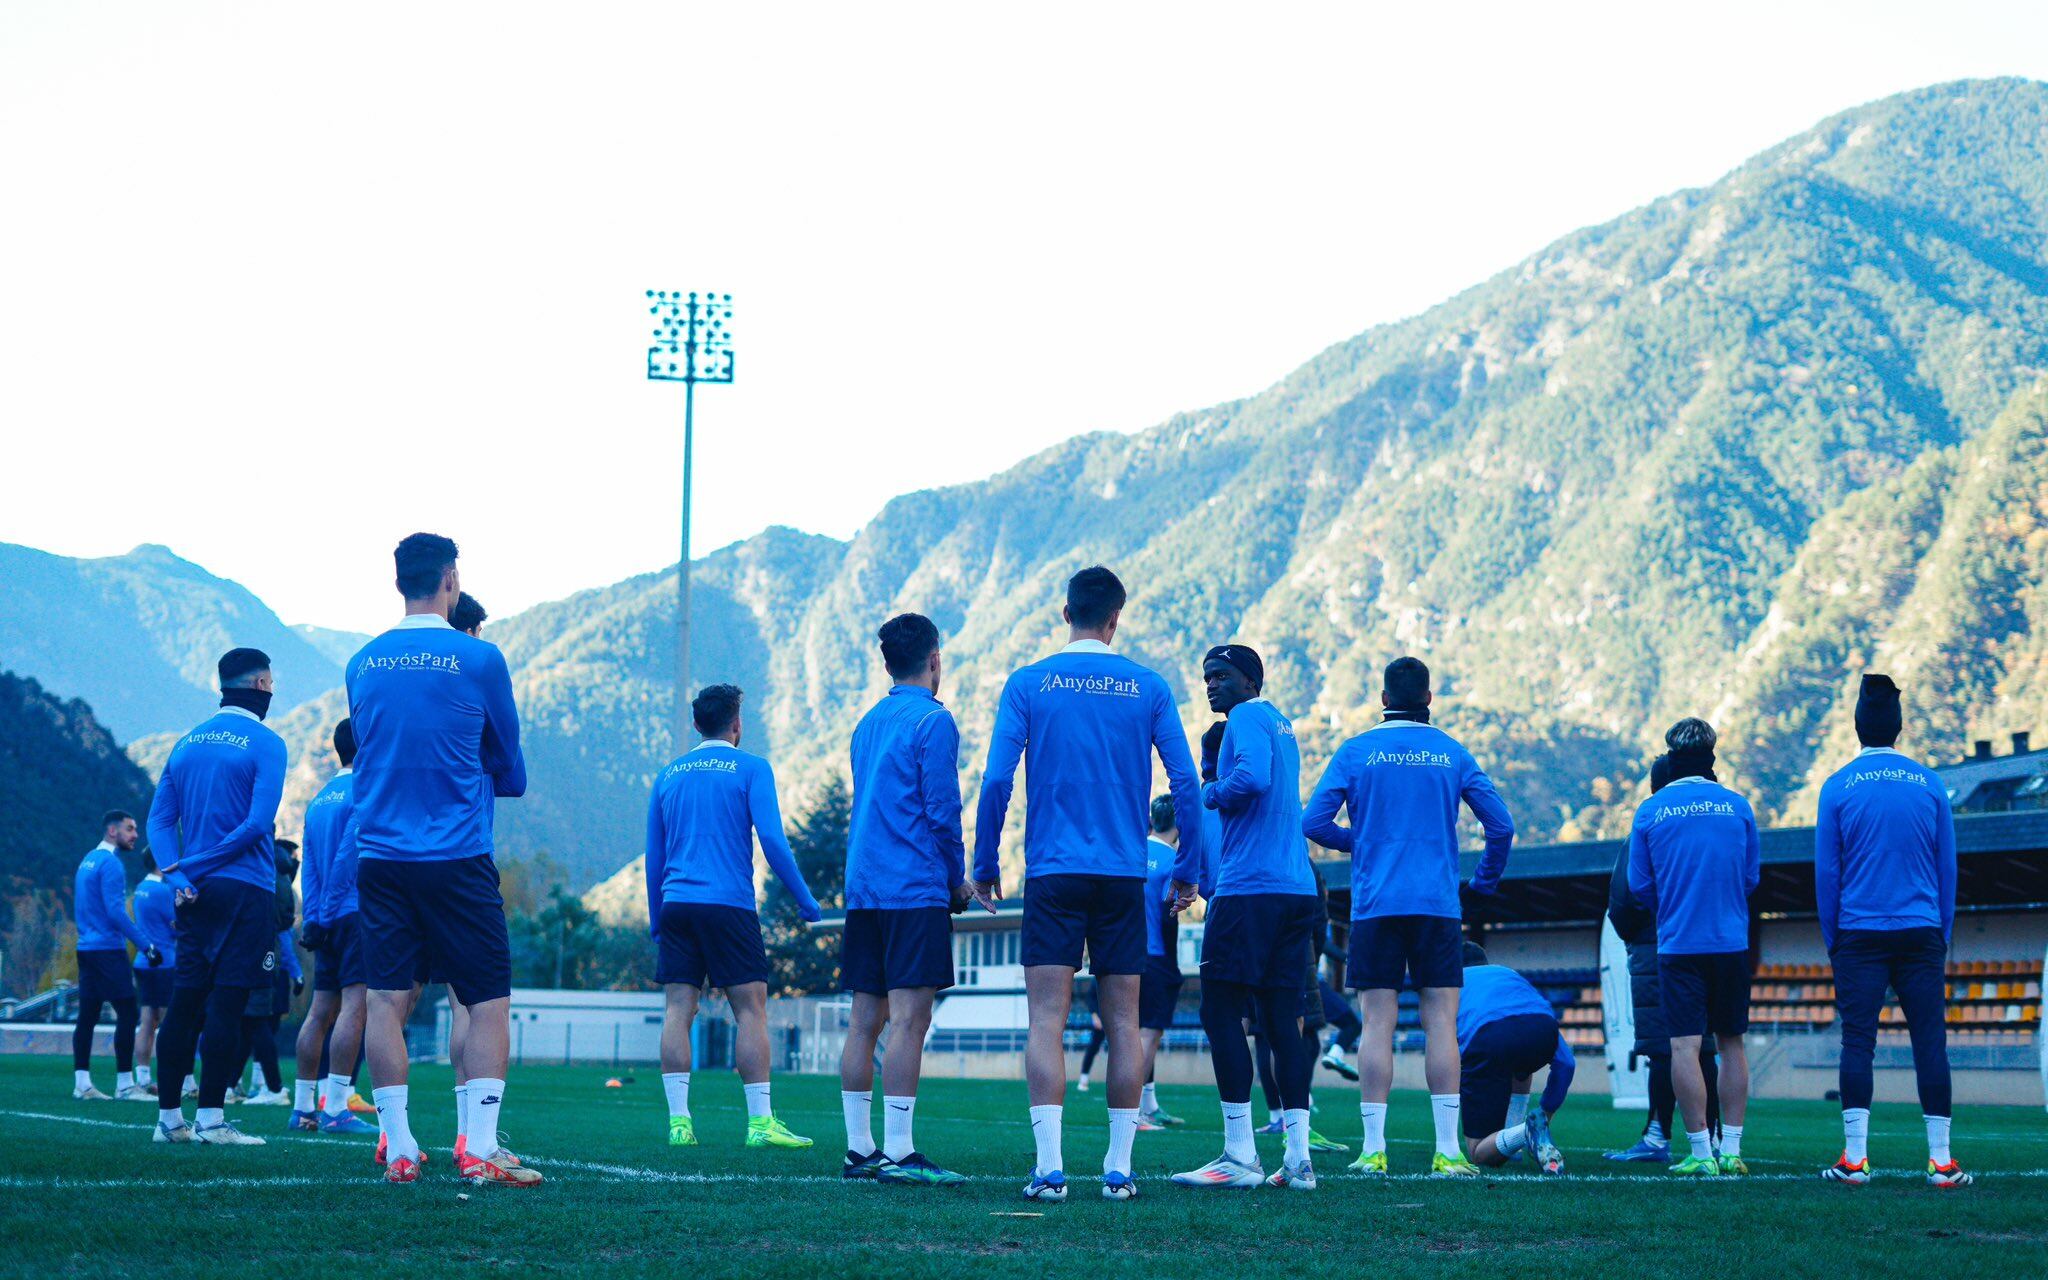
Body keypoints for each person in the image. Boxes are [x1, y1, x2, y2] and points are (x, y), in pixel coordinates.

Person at [971, 565, 1205, 1203]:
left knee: (1045, 1019)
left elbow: (995, 781)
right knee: (1124, 1023)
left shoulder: (1029, 682)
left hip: (1052, 872)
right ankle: (1119, 1171)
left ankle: (1050, 1171)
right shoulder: (1148, 686)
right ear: (1114, 618)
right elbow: (1186, 785)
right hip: (1123, 877)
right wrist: (1190, 869)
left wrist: (984, 858)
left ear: (1064, 612)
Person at [347, 533, 534, 1186]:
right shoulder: (479, 658)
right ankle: (478, 1146)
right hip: (455, 856)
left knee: (384, 1001)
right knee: (484, 1002)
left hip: (379, 856)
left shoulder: (362, 662)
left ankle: (398, 1146)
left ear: (400, 582)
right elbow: (511, 768)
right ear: (451, 580)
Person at [1302, 655, 1513, 1177]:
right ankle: (1448, 1150)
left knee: (1377, 1024)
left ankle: (1374, 1149)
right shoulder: (1452, 753)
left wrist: (1363, 843)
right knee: (1442, 1024)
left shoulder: (1356, 752)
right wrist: (1483, 882)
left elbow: (1313, 821)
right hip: (1437, 906)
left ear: (1383, 699)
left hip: (1376, 907)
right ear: (1429, 700)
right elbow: (1501, 827)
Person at [1171, 644, 1324, 1191]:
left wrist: (1211, 793)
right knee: (1282, 1022)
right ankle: (1299, 1160)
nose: (1212, 684)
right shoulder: (1282, 723)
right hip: (1295, 888)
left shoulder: (1246, 717)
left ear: (1249, 679)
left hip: (1250, 890)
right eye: (1207, 676)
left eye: (1222, 675)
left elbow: (1250, 780)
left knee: (1219, 1014)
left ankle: (1240, 1155)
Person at [837, 613, 983, 1186]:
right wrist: (957, 881)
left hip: (864, 887)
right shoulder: (933, 720)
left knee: (863, 1022)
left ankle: (859, 1150)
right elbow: (943, 812)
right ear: (935, 658)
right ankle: (899, 1152)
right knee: (910, 1021)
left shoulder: (867, 723)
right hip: (912, 887)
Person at [647, 682, 821, 1151]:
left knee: (678, 1010)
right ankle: (760, 1124)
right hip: (729, 905)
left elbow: (654, 856)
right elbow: (774, 841)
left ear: (697, 723)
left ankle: (679, 1122)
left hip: (677, 904)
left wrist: (656, 917)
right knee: (750, 1010)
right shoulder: (751, 768)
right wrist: (805, 900)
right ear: (737, 724)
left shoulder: (669, 774)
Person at [1815, 675, 1970, 1188]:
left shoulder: (1837, 787)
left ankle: (1855, 1161)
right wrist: (1940, 931)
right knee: (1931, 1042)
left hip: (1858, 933)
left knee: (1858, 1043)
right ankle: (1942, 1162)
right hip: (1922, 930)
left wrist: (1833, 937)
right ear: (1899, 728)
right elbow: (1948, 867)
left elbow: (1827, 874)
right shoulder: (1930, 784)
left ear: (1857, 726)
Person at [144, 647, 289, 1145]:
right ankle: (210, 1121)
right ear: (263, 684)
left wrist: (175, 873)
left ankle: (167, 1122)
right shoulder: (267, 742)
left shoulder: (184, 744)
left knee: (184, 1004)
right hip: (244, 887)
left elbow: (159, 821)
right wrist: (194, 867)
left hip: (191, 893)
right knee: (228, 1005)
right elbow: (256, 825)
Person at [1626, 716, 1759, 1178]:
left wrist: (1675, 901)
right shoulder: (1739, 806)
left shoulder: (1651, 811)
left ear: (1670, 755)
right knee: (1732, 1045)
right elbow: (1750, 879)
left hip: (1679, 943)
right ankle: (1733, 1150)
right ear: (1711, 754)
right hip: (1729, 941)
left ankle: (1701, 1151)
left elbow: (1640, 887)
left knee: (1683, 1048)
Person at [1604, 752, 1720, 1162]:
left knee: (1663, 1048)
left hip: (1656, 950)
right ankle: (1716, 1138)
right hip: (1709, 944)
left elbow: (1622, 900)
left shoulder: (1646, 826)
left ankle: (1658, 1135)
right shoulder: (1715, 823)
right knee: (1703, 1046)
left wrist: (1641, 936)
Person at [292, 718, 378, 1136]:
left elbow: (310, 865)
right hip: (355, 912)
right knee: (355, 1008)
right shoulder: (366, 790)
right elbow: (348, 859)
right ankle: (337, 1110)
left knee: (320, 1011)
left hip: (323, 917)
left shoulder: (320, 798)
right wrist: (326, 911)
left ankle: (303, 1107)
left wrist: (313, 918)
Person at [1456, 942, 1571, 1173]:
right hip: (1542, 1029)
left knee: (1479, 1152)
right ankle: (1521, 1140)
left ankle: (1523, 1131)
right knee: (1521, 1066)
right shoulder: (1508, 974)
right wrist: (1546, 1112)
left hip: (1489, 1035)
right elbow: (1567, 1063)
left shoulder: (1451, 984)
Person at [72, 809, 156, 1101]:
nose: (135, 835)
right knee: (129, 1013)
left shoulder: (87, 861)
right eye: (130, 829)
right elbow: (116, 912)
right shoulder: (111, 864)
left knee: (88, 1016)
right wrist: (147, 945)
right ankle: (124, 1084)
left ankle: (82, 1083)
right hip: (108, 948)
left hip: (86, 948)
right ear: (112, 831)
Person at [228, 841, 302, 1105]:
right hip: (265, 947)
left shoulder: (263, 871)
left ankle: (274, 1088)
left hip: (255, 947)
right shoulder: (280, 875)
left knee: (256, 1019)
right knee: (250, 1021)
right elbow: (285, 922)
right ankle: (230, 1084)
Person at [1136, 795, 1190, 1129]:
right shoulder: (1173, 862)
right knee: (1148, 1034)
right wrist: (1172, 966)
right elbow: (1169, 917)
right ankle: (1135, 1113)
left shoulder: (1134, 851)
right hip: (1156, 955)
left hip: (1126, 954)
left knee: (1133, 1032)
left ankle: (1148, 1105)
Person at [131, 849, 178, 1095]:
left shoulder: (140, 888)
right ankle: (171, 1078)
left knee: (147, 1020)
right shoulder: (162, 891)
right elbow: (175, 926)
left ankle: (143, 1077)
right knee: (170, 1023)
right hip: (164, 962)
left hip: (143, 960)